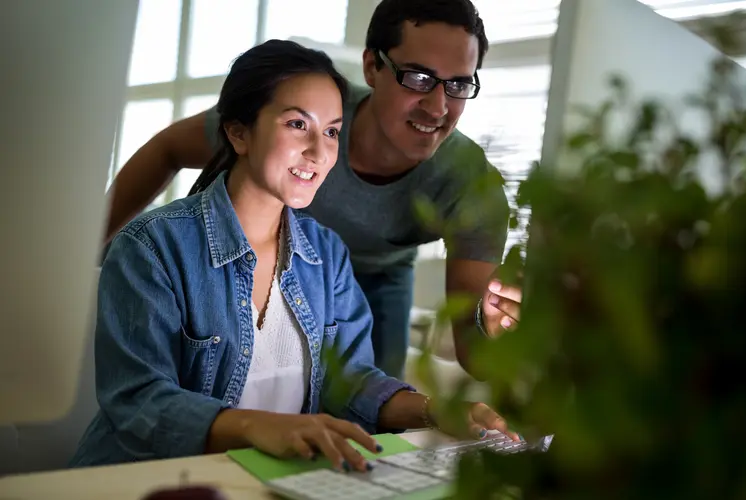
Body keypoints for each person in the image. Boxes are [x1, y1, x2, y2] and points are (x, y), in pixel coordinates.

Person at [70, 39, 516, 470]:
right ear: (238, 132)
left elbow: (351, 383)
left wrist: (436, 410)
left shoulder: (326, 255)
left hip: (265, 481)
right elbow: (138, 402)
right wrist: (259, 427)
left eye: (332, 132)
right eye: (297, 124)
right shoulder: (152, 247)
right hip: (145, 481)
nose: (320, 152)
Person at [102, 0, 523, 380]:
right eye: (417, 78)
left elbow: (476, 352)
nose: (438, 107)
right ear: (373, 67)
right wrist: (89, 246)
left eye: (458, 85)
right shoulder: (310, 115)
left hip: (381, 275)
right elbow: (168, 148)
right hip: (274, 256)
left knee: (375, 404)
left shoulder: (473, 186)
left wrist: (498, 324)